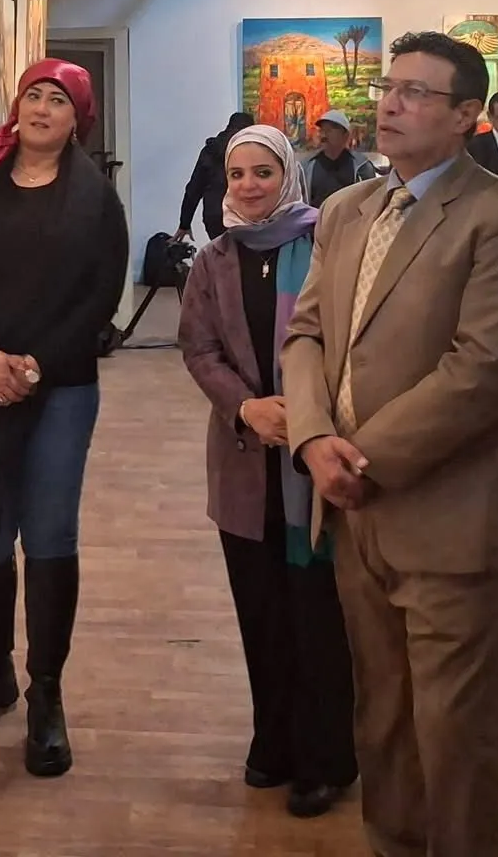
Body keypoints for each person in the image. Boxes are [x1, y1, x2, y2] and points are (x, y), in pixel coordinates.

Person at [283, 31, 498, 857]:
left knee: (456, 743)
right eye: (389, 88)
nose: (391, 105)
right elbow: (305, 335)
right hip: (354, 514)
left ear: (467, 114)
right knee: (384, 726)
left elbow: (481, 368)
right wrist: (312, 439)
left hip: (454, 521)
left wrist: (357, 458)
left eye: (416, 92)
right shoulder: (347, 210)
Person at [0, 59, 131, 780]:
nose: (42, 108)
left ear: (78, 120)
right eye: (33, 95)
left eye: (58, 101)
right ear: (17, 106)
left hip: (60, 388)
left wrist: (36, 363)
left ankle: (46, 693)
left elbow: (101, 294)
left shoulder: (95, 200)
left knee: (47, 535)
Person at [178, 125, 358, 819]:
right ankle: (273, 740)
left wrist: (306, 414)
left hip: (316, 462)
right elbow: (199, 350)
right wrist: (247, 407)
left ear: (288, 176)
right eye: (237, 175)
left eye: (263, 172)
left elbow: (346, 344)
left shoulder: (325, 246)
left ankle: (326, 758)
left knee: (319, 618)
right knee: (261, 612)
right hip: (246, 464)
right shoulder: (214, 260)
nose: (249, 186)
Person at [176, 111, 254, 243]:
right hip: (243, 215)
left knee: (223, 253)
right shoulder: (252, 151)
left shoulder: (210, 150)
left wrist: (184, 223)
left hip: (214, 217)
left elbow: (194, 189)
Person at [304, 109, 380, 208]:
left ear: (345, 135)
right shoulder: (307, 166)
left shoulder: (362, 167)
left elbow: (371, 202)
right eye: (322, 130)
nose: (323, 136)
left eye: (329, 131)